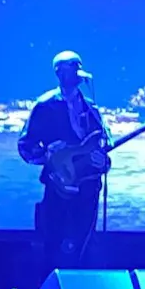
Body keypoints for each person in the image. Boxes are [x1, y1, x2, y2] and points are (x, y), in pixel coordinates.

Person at [16, 50, 111, 267]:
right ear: (58, 72)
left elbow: (103, 147)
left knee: (84, 247)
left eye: (78, 66)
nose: (78, 71)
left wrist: (102, 162)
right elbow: (25, 145)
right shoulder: (45, 105)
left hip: (87, 188)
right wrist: (49, 156)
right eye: (71, 67)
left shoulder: (91, 108)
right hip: (58, 186)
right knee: (53, 247)